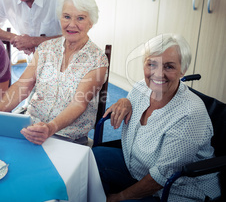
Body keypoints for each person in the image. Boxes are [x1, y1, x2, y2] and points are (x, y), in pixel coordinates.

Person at [93, 34, 221, 201]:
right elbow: (130, 102)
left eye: (169, 66)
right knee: (93, 159)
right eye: (152, 64)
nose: (158, 73)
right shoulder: (140, 87)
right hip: (138, 168)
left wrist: (118, 197)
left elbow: (161, 177)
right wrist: (125, 100)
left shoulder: (190, 114)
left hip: (176, 190)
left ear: (183, 70)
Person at [0, 0, 108, 145]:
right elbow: (22, 86)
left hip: (66, 135)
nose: (72, 24)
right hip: (29, 124)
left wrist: (50, 128)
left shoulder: (97, 59)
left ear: (91, 22)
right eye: (66, 17)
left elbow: (78, 103)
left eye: (80, 18)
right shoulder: (46, 48)